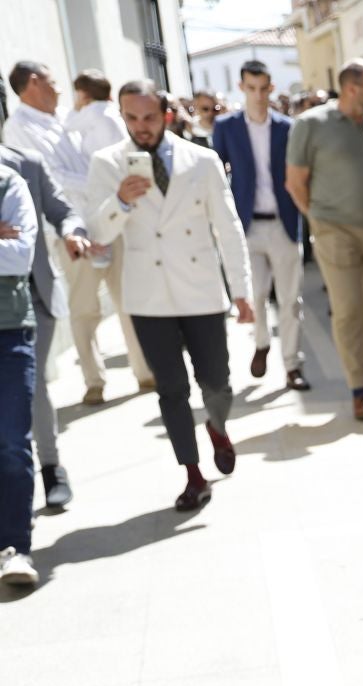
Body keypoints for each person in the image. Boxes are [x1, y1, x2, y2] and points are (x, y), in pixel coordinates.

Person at [83, 81, 253, 512]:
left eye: (150, 118)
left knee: (216, 381)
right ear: (122, 117)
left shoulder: (203, 159)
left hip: (201, 292)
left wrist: (242, 291)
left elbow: (228, 229)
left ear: (167, 115)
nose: (141, 127)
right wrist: (119, 201)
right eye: (132, 118)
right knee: (171, 390)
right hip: (148, 297)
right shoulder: (107, 163)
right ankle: (193, 474)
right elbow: (98, 234)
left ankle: (217, 425)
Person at [5, 62, 150, 401]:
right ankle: (94, 381)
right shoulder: (19, 128)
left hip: (109, 220)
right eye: (53, 82)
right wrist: (104, 181)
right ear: (34, 83)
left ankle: (145, 372)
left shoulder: (66, 119)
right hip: (74, 232)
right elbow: (52, 180)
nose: (60, 90)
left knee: (128, 299)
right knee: (85, 309)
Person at [287, 59, 363, 421]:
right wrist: (316, 221)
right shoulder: (311, 124)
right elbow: (295, 181)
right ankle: (358, 388)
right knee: (348, 309)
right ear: (352, 87)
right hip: (335, 230)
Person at [0, 142, 88, 510]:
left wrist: (72, 232)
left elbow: (61, 210)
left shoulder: (25, 165)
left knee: (30, 386)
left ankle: (51, 467)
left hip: (33, 296)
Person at [213, 60, 310, 391]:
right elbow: (218, 176)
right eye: (251, 88)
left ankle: (292, 364)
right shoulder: (226, 127)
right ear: (241, 87)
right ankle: (261, 343)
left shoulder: (287, 127)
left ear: (271, 88)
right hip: (247, 225)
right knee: (255, 294)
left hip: (284, 223)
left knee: (290, 299)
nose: (257, 95)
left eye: (263, 88)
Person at [0, 162, 42, 587]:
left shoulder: (9, 182)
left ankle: (15, 546)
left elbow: (18, 256)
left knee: (12, 440)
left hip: (8, 330)